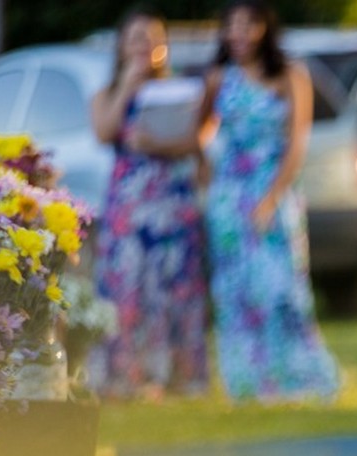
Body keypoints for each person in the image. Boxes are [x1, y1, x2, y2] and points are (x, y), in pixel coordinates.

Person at [197, 0, 339, 401]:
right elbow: (199, 131)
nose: (239, 33)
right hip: (229, 196)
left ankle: (295, 377)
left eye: (248, 24)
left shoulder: (291, 74)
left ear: (264, 28)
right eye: (231, 25)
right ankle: (244, 382)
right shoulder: (218, 78)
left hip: (275, 193)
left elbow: (297, 144)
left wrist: (270, 199)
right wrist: (206, 169)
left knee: (280, 288)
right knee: (235, 291)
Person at [88, 5, 209, 400]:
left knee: (173, 290)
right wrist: (128, 86)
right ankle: (128, 375)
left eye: (154, 37)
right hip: (128, 208)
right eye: (137, 37)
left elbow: (199, 141)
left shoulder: (181, 90)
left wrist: (157, 143)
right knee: (127, 290)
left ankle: (174, 376)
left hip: (173, 204)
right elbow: (104, 133)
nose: (146, 45)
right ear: (122, 44)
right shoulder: (107, 92)